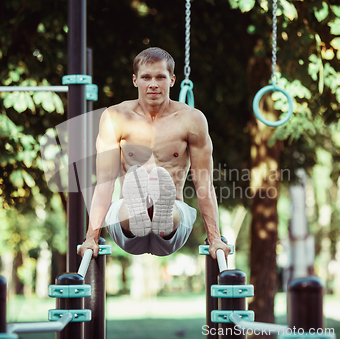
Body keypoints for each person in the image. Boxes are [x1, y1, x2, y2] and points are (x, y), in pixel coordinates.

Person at [78, 47, 229, 260]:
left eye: (160, 77)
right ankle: (141, 209)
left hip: (174, 225)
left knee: (170, 206)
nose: (153, 84)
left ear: (172, 80)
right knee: (129, 206)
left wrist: (215, 238)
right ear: (135, 80)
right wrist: (90, 238)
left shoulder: (192, 120)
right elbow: (105, 182)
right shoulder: (115, 117)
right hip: (127, 224)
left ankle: (161, 211)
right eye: (146, 77)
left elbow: (204, 183)